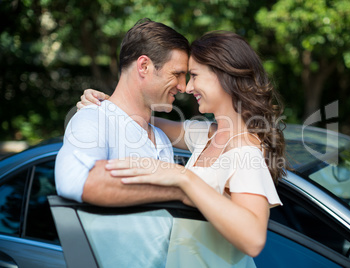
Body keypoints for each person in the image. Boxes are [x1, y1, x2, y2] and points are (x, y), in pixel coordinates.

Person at [78, 31, 287, 260]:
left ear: (223, 75)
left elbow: (253, 240)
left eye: (195, 76)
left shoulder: (245, 150)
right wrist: (104, 105)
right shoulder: (210, 134)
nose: (187, 88)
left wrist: (184, 178)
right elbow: (139, 118)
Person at [55, 18, 191, 206]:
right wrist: (180, 186)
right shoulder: (93, 118)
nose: (183, 87)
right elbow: (76, 179)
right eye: (177, 74)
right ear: (144, 66)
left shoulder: (161, 138)